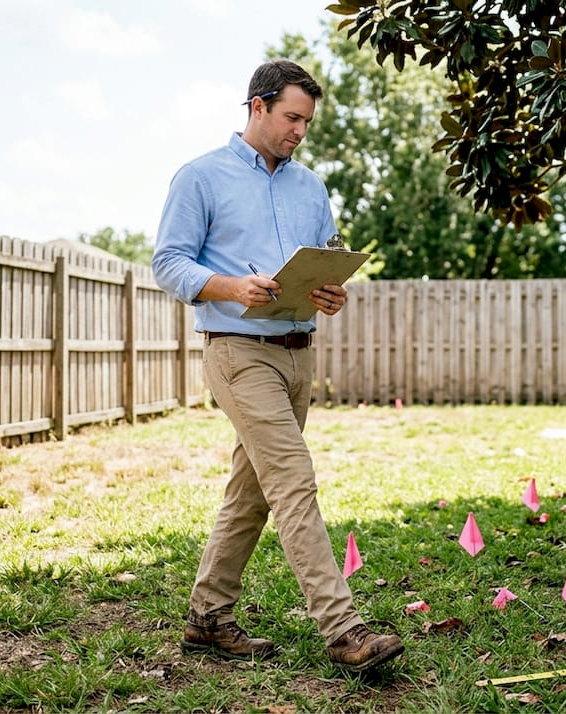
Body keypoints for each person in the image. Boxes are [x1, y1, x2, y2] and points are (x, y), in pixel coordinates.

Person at [151, 59, 404, 673]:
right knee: (293, 481)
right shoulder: (201, 177)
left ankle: (208, 619)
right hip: (238, 354)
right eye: (292, 117)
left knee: (253, 492)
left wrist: (332, 291)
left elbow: (327, 254)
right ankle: (344, 631)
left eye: (307, 122)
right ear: (257, 106)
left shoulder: (310, 186)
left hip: (298, 355)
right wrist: (232, 286)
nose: (300, 131)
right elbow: (168, 263)